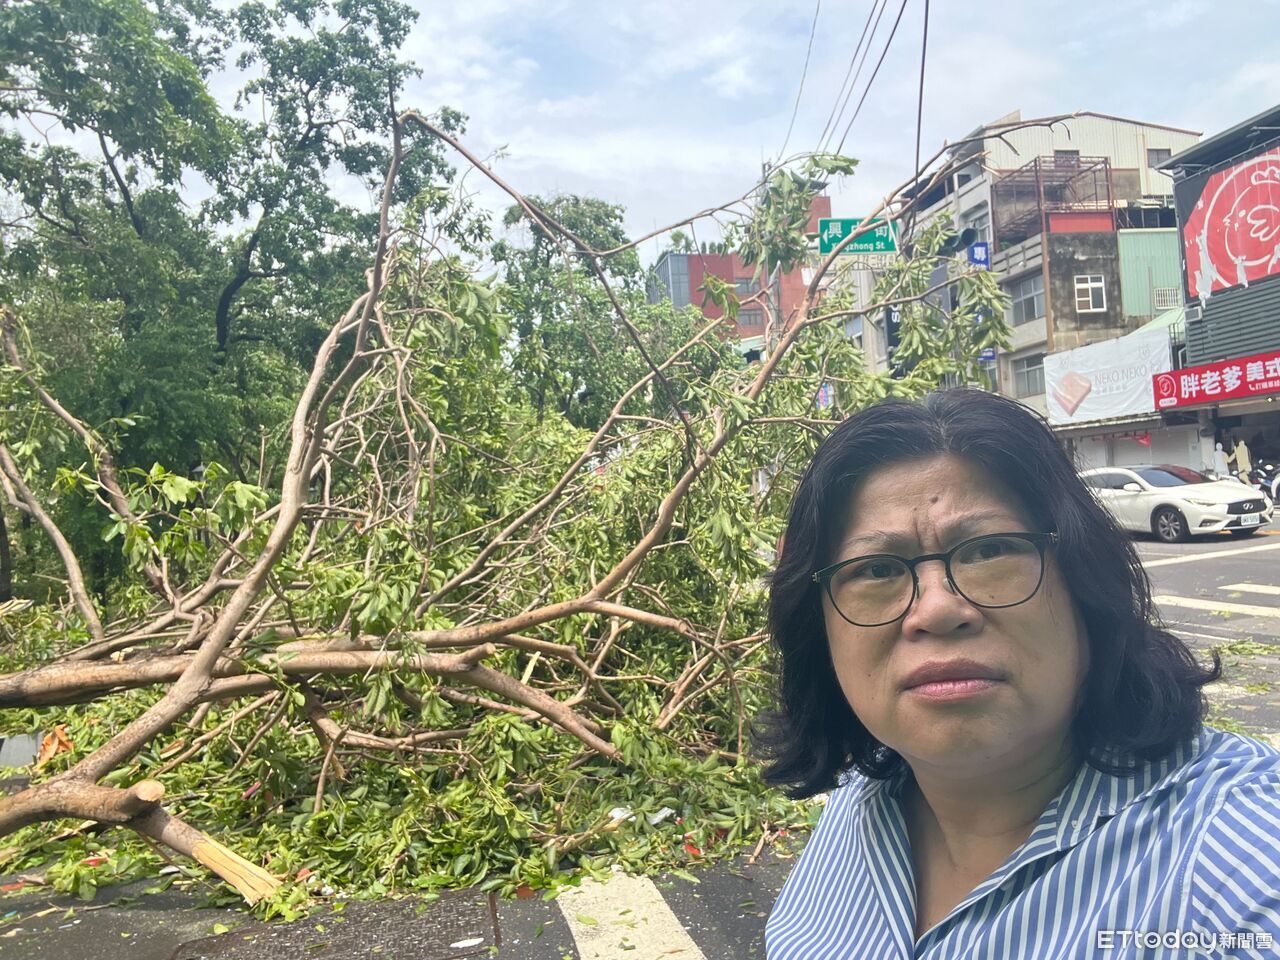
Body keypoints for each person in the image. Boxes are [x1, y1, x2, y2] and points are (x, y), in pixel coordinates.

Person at [759, 389, 1280, 959]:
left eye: (989, 552)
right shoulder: (859, 802)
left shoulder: (1240, 867)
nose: (937, 610)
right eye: (877, 569)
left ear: (1085, 582)